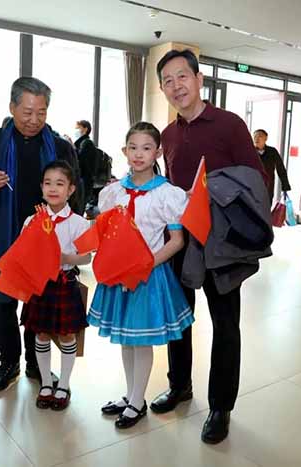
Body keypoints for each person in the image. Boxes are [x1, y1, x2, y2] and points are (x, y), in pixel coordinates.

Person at [152, 49, 267, 444]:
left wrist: (208, 192)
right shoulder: (167, 135)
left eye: (182, 76)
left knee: (225, 325)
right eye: (167, 81)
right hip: (182, 242)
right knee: (179, 319)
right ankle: (179, 385)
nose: (176, 86)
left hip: (222, 243)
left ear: (199, 79)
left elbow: (255, 180)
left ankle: (221, 406)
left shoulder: (230, 125)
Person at [0, 77, 82, 392]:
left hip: (44, 239)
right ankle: (8, 362)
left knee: (38, 303)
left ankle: (35, 362)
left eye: (41, 113)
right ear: (12, 107)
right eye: (27, 112)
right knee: (3, 303)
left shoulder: (60, 146)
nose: (34, 120)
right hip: (3, 236)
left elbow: (76, 190)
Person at [88, 122, 194, 429]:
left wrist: (144, 265)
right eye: (133, 147)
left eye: (146, 148)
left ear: (157, 153)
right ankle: (130, 395)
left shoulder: (168, 194)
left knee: (141, 341)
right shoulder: (112, 193)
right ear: (124, 151)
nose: (139, 154)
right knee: (126, 339)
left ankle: (137, 401)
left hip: (149, 277)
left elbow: (177, 241)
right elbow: (105, 234)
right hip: (118, 277)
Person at [20, 160, 90, 411]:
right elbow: (22, 253)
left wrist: (64, 258)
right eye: (48, 183)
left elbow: (86, 258)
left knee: (66, 334)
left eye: (60, 184)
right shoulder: (32, 220)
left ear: (71, 189)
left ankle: (65, 384)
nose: (53, 188)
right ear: (41, 188)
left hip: (64, 283)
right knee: (40, 333)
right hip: (40, 285)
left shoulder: (79, 223)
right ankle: (47, 383)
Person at [253, 129, 291, 204]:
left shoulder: (272, 152)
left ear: (266, 138)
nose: (256, 138)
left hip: (268, 187)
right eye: (254, 136)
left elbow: (281, 169)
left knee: (266, 207)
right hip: (253, 186)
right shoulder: (250, 151)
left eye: (260, 136)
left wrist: (285, 186)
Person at [65, 120, 96, 207]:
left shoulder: (87, 143)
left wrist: (72, 147)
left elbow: (81, 161)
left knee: (79, 207)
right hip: (83, 181)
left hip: (84, 182)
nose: (76, 131)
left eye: (78, 128)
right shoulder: (82, 143)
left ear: (85, 129)